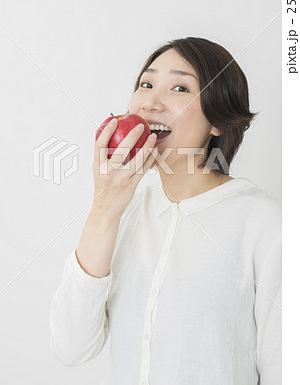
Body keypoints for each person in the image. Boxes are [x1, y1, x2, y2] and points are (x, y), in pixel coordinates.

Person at [49, 37, 281, 385]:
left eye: (179, 87)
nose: (151, 102)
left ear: (217, 121)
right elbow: (72, 347)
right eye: (146, 84)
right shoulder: (123, 214)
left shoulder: (268, 225)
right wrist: (104, 207)